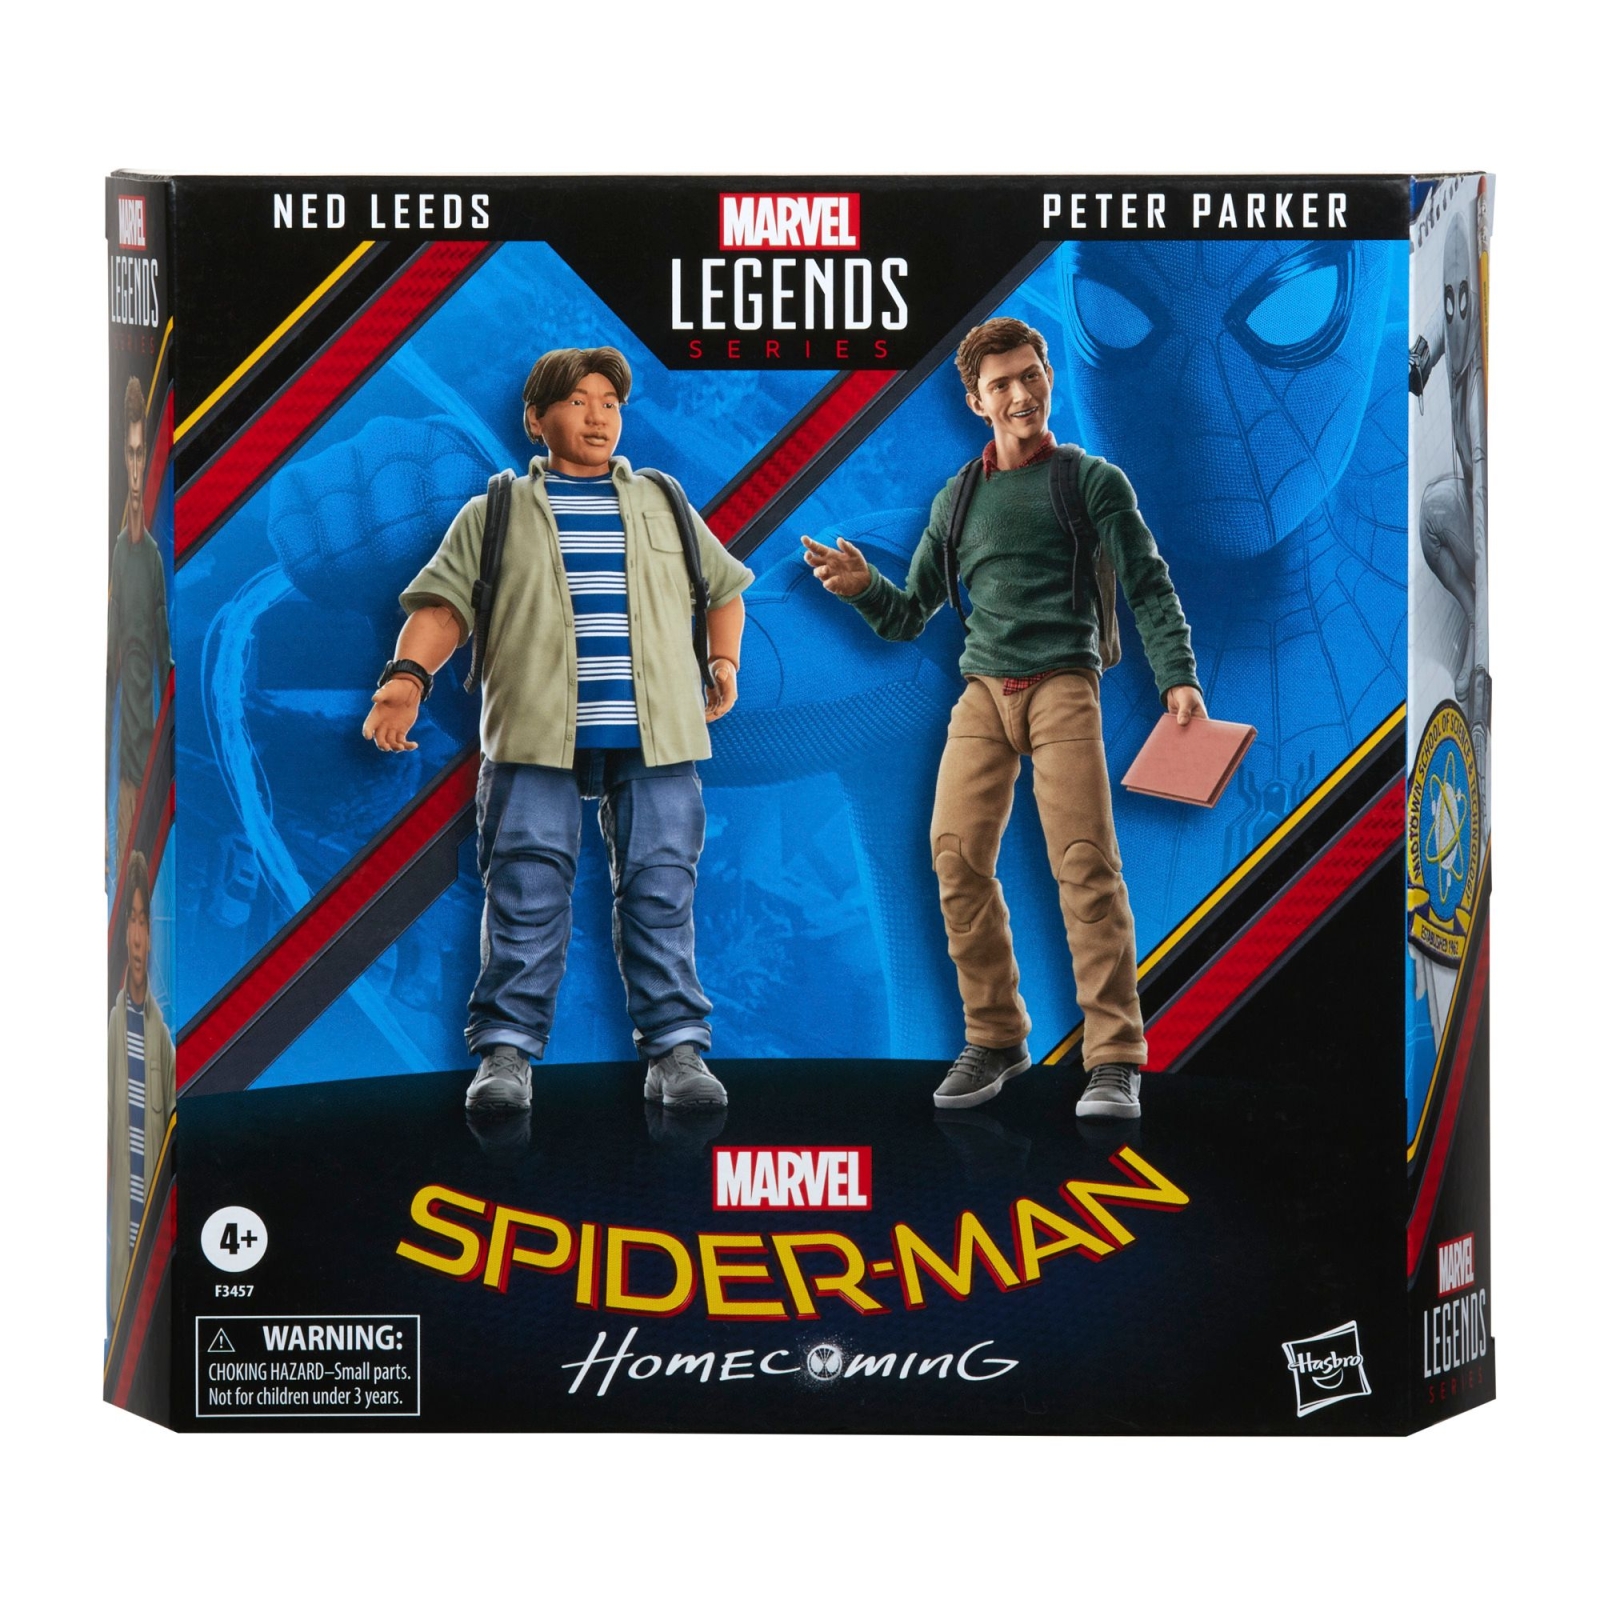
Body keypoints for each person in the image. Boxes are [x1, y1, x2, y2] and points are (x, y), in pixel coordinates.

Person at [802, 317, 1204, 1119]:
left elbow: (1149, 583)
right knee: (953, 856)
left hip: (1064, 686)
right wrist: (863, 588)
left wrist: (1178, 678)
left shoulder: (1091, 482)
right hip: (984, 692)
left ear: (1048, 376)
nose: (1021, 394)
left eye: (1031, 375)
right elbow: (910, 615)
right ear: (975, 401)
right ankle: (994, 1038)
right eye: (1001, 384)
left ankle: (1114, 1055)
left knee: (1085, 863)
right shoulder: (957, 500)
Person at [364, 346, 751, 1113]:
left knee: (662, 885)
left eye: (610, 402)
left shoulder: (664, 501)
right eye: (577, 401)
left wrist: (723, 661)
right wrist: (405, 680)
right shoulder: (496, 513)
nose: (598, 416)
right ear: (537, 419)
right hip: (533, 729)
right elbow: (443, 608)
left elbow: (723, 588)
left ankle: (676, 1050)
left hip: (657, 732)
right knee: (525, 885)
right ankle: (505, 1053)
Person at [106, 375, 171, 874]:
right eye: (127, 454)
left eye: (139, 454)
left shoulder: (151, 558)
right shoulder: (118, 554)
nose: (133, 467)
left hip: (144, 744)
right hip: (115, 740)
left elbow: (163, 648)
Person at [108, 850, 175, 1313]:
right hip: (117, 1265)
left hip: (153, 1259)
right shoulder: (109, 1030)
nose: (137, 936)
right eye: (131, 921)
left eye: (143, 923)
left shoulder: (164, 1043)